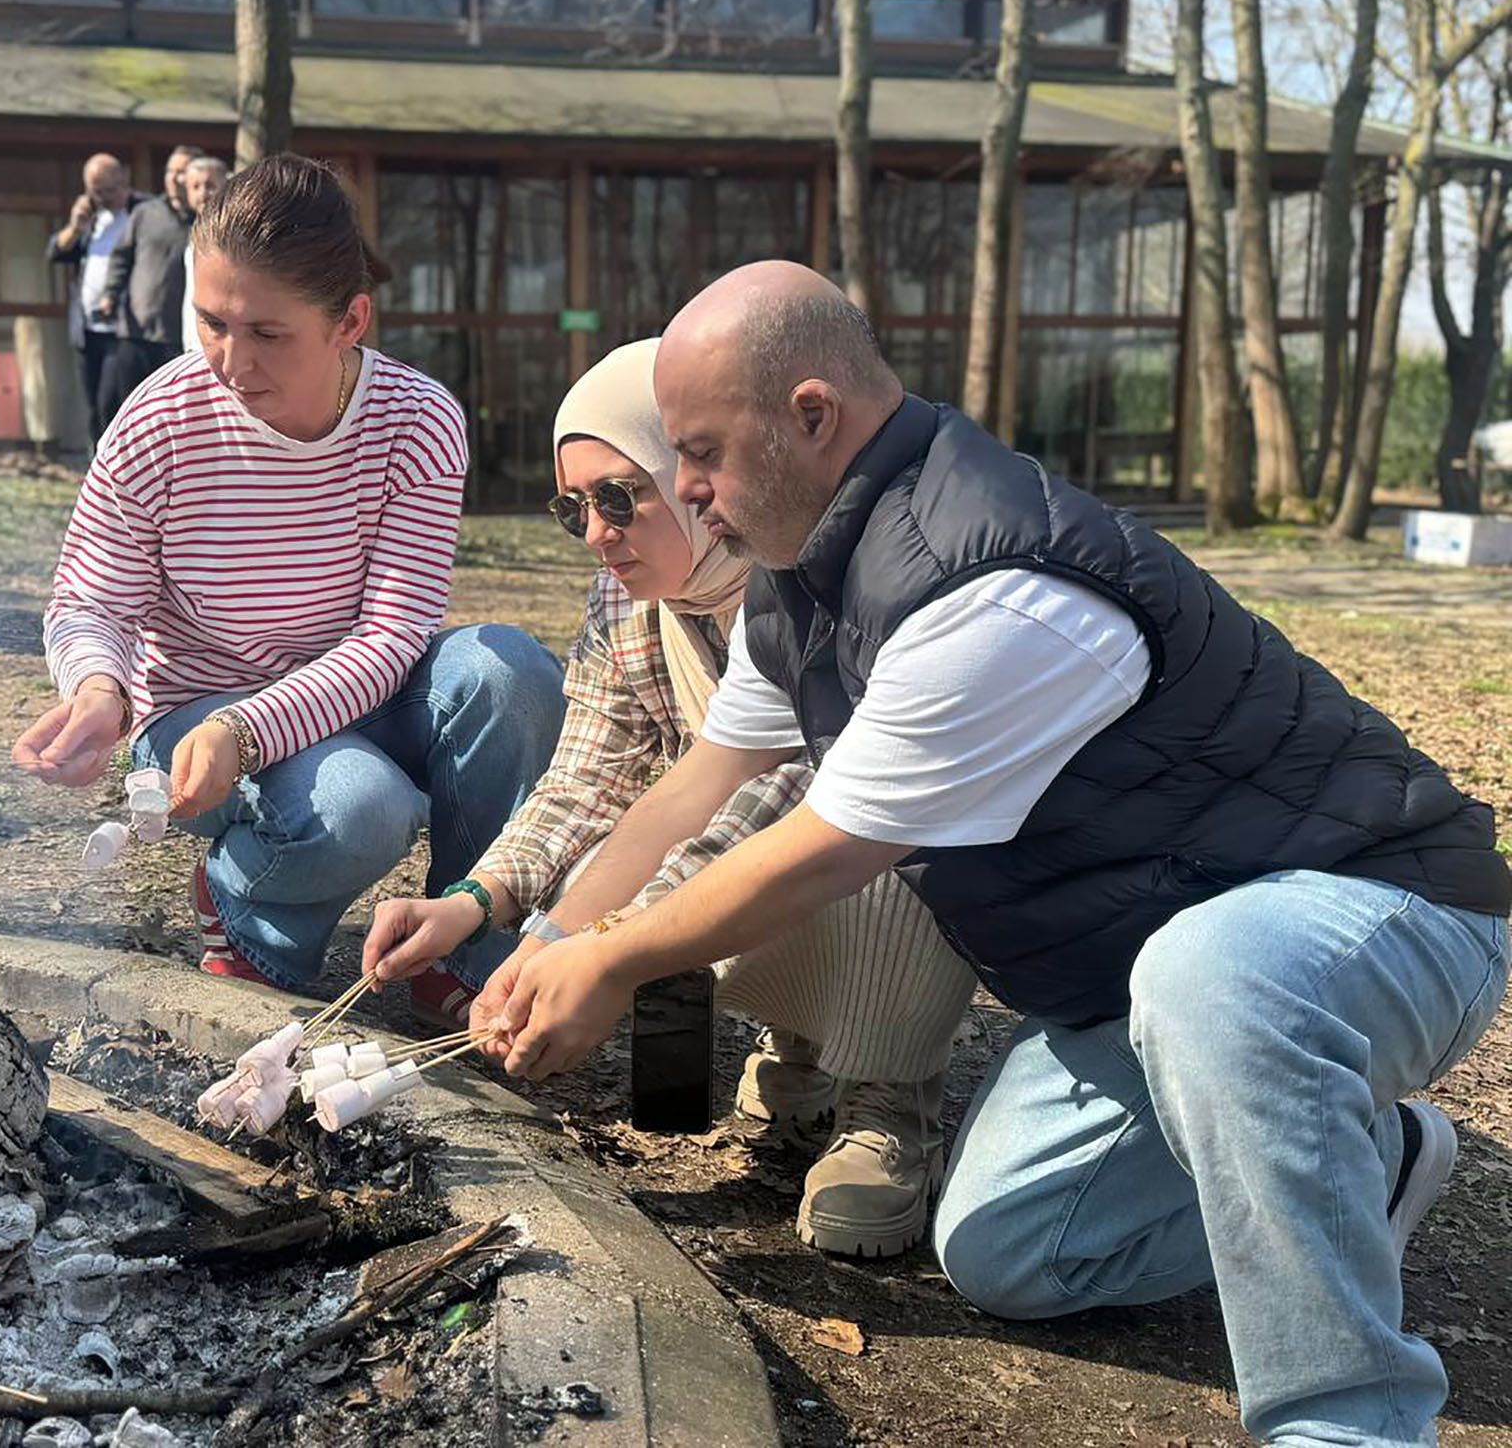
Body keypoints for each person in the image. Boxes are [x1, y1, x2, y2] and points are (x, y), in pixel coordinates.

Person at [485, 260, 1510, 1446]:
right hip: (1139, 985)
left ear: (810, 416)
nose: (689, 489)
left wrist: (613, 965)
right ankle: (1359, 1159)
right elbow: (690, 790)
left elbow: (829, 845)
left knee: (1212, 976)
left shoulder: (989, 579)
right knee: (1013, 1250)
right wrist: (546, 942)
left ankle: (1347, 1420)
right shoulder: (796, 586)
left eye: (702, 452)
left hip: (1374, 908)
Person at [361, 338, 977, 1254]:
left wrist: (603, 947)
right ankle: (798, 1046)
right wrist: (480, 907)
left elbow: (798, 801)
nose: (599, 532)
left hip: (876, 851)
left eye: (621, 495)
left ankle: (892, 1097)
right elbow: (593, 776)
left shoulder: (823, 579)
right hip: (734, 845)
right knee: (657, 1001)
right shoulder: (629, 602)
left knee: (851, 853)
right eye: (574, 510)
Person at [13, 153, 567, 1002]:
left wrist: (254, 730)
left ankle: (460, 949)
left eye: (268, 334)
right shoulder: (160, 420)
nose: (231, 363)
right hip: (199, 719)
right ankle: (248, 907)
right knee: (362, 805)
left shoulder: (417, 422)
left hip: (353, 695)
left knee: (511, 672)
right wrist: (97, 690)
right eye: (211, 324)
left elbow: (392, 638)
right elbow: (93, 598)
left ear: (350, 321)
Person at [47, 153, 147, 446]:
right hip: (87, 328)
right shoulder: (91, 218)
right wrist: (76, 225)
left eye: (107, 189)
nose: (102, 197)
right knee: (92, 405)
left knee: (110, 404)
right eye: (95, 191)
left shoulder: (141, 212)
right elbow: (56, 252)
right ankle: (95, 466)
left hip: (124, 328)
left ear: (123, 179)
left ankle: (115, 468)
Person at [100, 145, 200, 403]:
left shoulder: (205, 222)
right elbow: (121, 257)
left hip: (175, 339)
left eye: (182, 172)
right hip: (136, 332)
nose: (174, 178)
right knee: (118, 405)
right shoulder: (145, 213)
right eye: (170, 170)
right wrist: (109, 295)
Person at [175, 155, 229, 356]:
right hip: (192, 340)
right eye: (195, 187)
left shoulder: (231, 231)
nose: (203, 194)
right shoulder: (194, 231)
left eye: (210, 185)